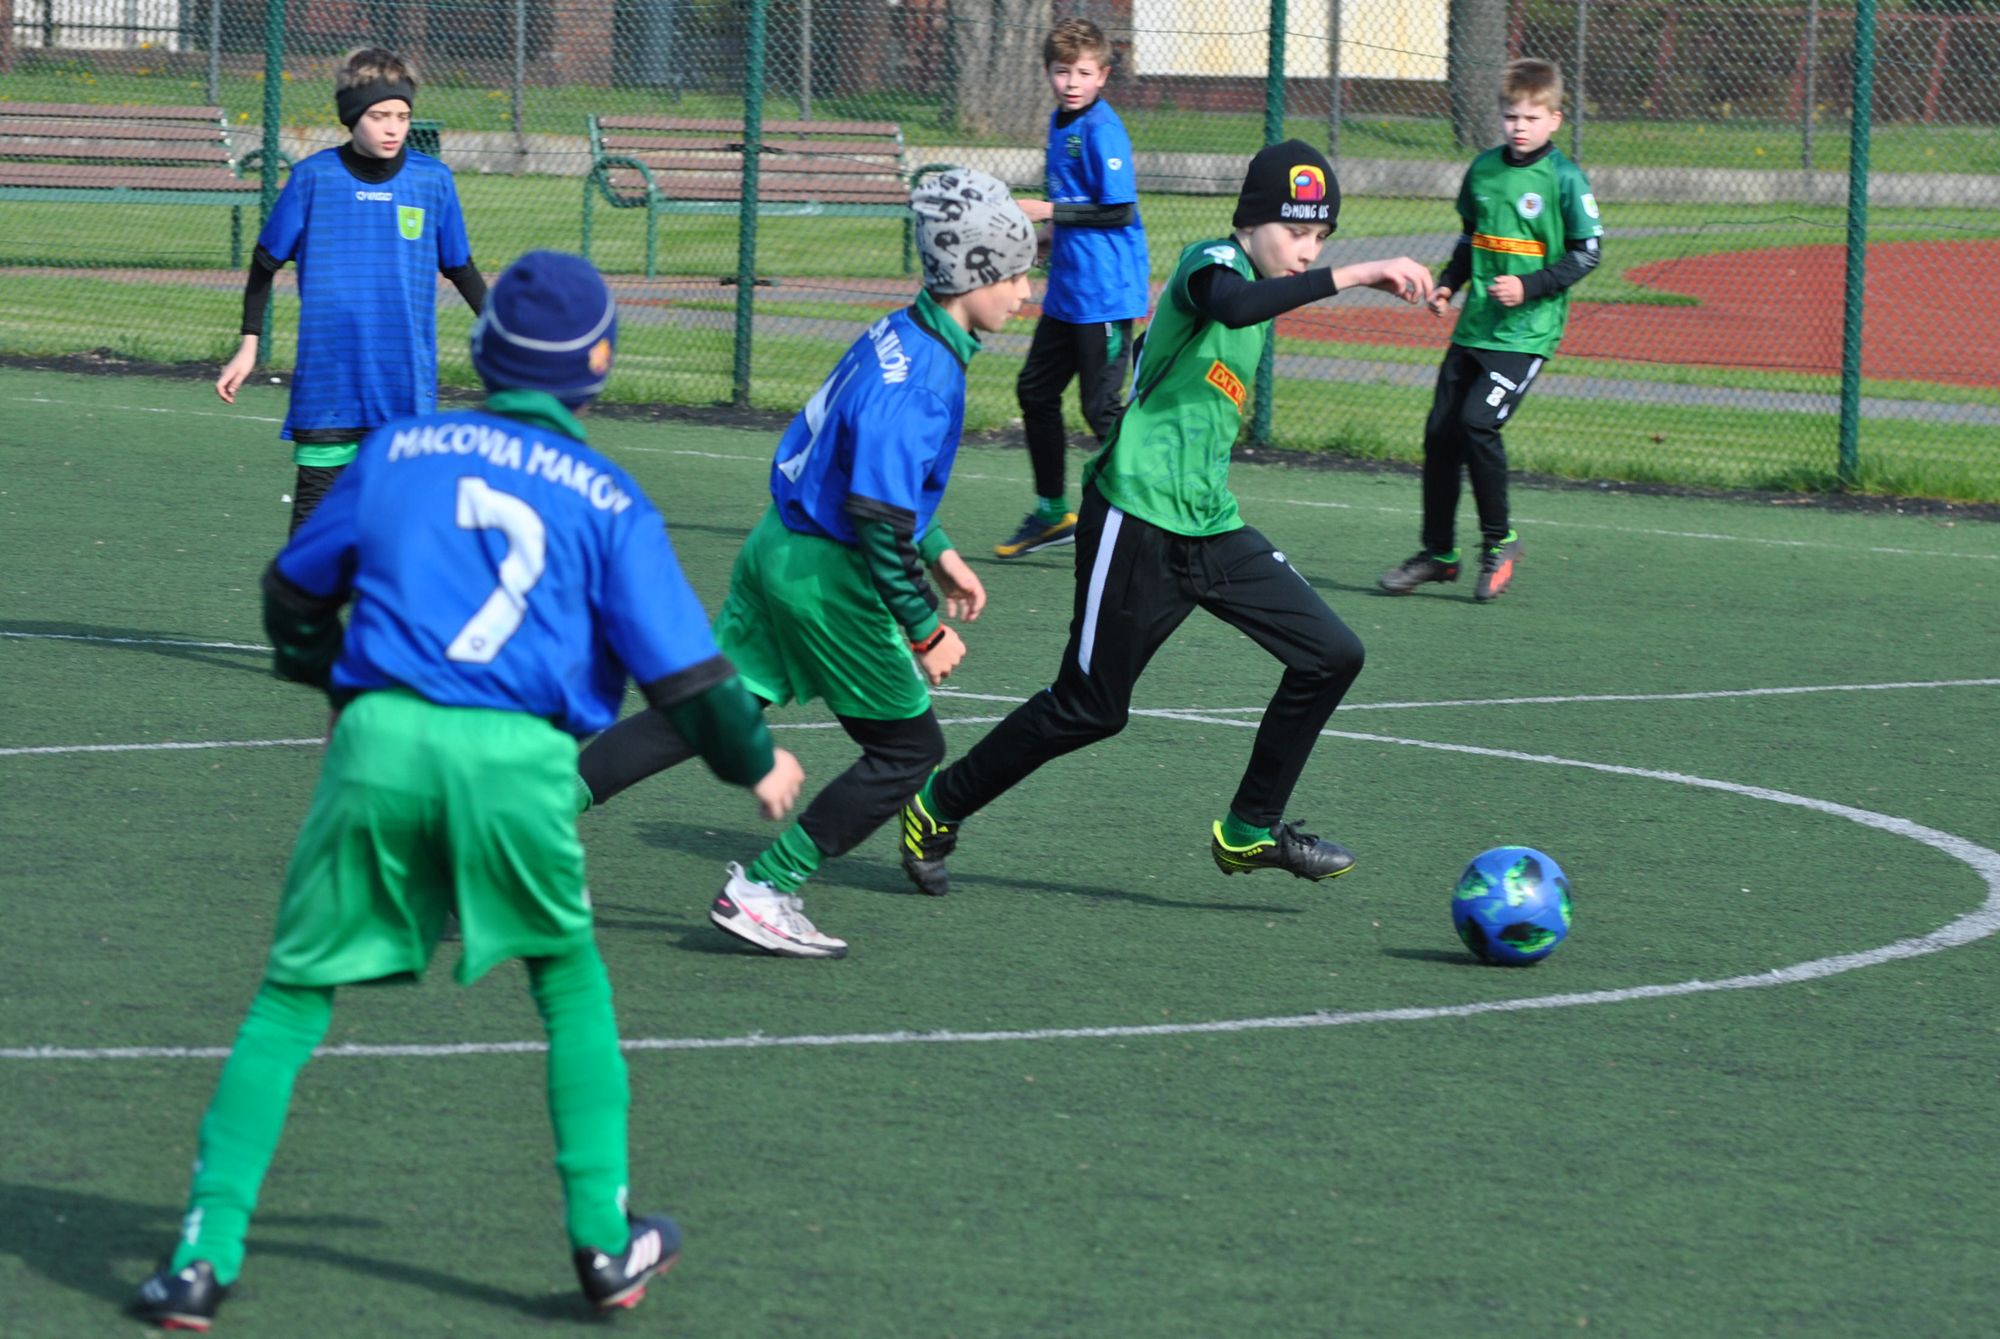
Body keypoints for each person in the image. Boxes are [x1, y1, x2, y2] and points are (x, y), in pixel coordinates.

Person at [134, 252, 805, 1331]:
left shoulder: (400, 448)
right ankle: (602, 1240)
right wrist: (754, 761)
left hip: (382, 742)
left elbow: (294, 588)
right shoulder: (610, 496)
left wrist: (330, 687)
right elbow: (687, 680)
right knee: (568, 986)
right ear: (597, 363)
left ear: (485, 353)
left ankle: (202, 1255)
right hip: (519, 761)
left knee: (295, 996)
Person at [898, 141, 1433, 896]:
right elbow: (1230, 302)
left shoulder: (1266, 284)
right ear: (1254, 221)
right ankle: (935, 806)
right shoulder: (1212, 262)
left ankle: (1249, 829)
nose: (1310, 249)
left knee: (1332, 653)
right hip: (1135, 518)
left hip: (1209, 525)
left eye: (1324, 238)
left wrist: (1327, 270)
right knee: (1089, 708)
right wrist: (1356, 272)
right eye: (1299, 231)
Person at [571, 169, 1035, 960]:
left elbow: (872, 480)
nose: (1026, 292)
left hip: (775, 550)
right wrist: (924, 628)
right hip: (829, 578)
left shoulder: (900, 331)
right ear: (971, 274)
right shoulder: (922, 381)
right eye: (1016, 273)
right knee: (909, 753)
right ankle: (766, 889)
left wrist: (943, 550)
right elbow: (875, 516)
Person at [215, 46, 488, 536]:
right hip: (329, 382)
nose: (393, 128)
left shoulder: (432, 181)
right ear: (350, 116)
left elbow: (460, 268)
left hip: (403, 380)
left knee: (401, 530)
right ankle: (305, 612)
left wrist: (503, 333)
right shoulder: (313, 179)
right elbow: (264, 264)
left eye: (402, 116)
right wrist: (248, 345)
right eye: (379, 115)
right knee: (315, 531)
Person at [1377, 57, 1603, 602]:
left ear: (1554, 119)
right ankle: (1439, 554)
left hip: (1526, 334)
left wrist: (1530, 286)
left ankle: (1501, 542)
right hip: (1475, 330)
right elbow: (1469, 240)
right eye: (1510, 116)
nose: (1518, 127)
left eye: (1530, 117)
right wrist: (1449, 285)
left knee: (1477, 423)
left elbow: (1588, 253)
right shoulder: (1482, 171)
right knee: (1439, 435)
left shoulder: (1565, 179)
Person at [997, 17, 1150, 561]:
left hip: (1106, 297)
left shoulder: (1103, 129)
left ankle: (1147, 516)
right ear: (1048, 72)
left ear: (1103, 75)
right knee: (1035, 392)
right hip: (1068, 292)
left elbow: (1117, 210)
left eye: (1084, 72)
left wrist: (1046, 210)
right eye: (1063, 71)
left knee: (1100, 408)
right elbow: (1076, 207)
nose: (1072, 81)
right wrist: (1044, 238)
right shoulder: (1058, 122)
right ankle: (1050, 513)